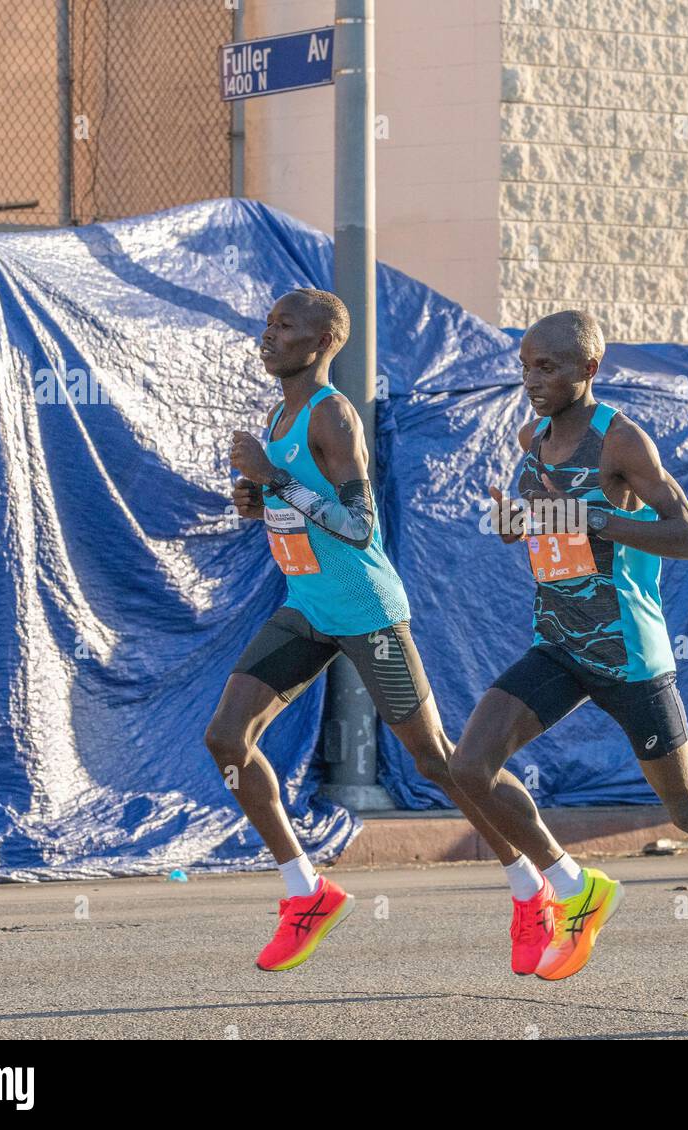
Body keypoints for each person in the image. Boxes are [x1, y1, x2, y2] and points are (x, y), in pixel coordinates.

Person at [451, 309, 688, 1028]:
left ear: (589, 370)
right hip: (559, 645)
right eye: (526, 366)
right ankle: (573, 885)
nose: (532, 380)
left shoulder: (619, 440)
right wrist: (515, 523)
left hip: (628, 656)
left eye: (548, 368)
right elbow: (542, 523)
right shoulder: (533, 438)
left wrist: (594, 520)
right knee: (469, 767)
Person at [207, 288, 531, 973]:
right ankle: (306, 892)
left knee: (438, 761)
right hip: (310, 606)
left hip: (366, 608)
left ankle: (531, 885)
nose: (268, 336)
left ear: (321, 343)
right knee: (227, 737)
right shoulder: (279, 413)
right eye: (267, 323)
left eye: (284, 327)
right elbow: (295, 509)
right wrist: (256, 501)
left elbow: (359, 526)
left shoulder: (333, 414)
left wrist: (272, 479)